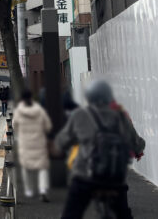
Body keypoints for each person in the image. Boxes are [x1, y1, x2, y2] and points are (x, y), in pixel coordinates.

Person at [55, 79, 145, 219]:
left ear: (89, 97)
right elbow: (137, 142)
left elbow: (61, 141)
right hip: (115, 178)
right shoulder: (121, 117)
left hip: (85, 178)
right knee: (123, 213)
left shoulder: (80, 115)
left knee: (71, 214)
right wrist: (139, 150)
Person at [12, 89, 52, 202]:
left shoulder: (19, 111)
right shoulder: (39, 110)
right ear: (31, 98)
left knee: (26, 166)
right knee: (42, 167)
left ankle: (29, 190)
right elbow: (48, 126)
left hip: (25, 142)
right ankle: (43, 190)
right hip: (39, 142)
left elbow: (14, 126)